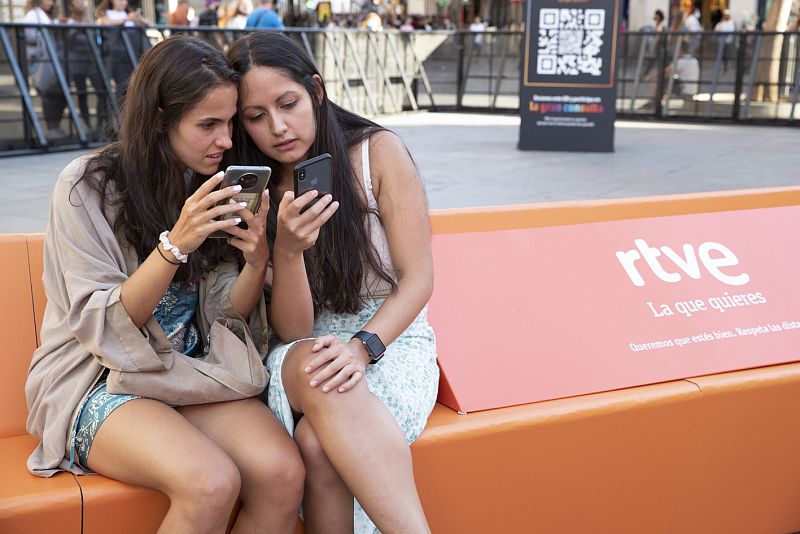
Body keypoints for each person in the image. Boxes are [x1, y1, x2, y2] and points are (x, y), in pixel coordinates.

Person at [25, 35, 305, 533]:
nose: (224, 140)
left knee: (282, 475)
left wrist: (257, 261)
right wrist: (175, 246)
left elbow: (224, 315)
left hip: (185, 370)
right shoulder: (88, 186)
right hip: (98, 380)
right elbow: (103, 324)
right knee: (211, 483)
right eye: (208, 125)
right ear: (159, 120)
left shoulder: (207, 183)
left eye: (229, 122)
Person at [227, 32, 439, 532]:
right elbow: (294, 327)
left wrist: (363, 347)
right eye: (256, 117)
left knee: (318, 447)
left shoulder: (377, 153)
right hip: (305, 350)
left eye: (289, 103)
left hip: (390, 338)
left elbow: (418, 279)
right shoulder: (253, 189)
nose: (278, 127)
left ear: (317, 92)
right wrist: (289, 251)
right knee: (317, 362)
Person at [62, 0, 109, 137]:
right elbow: (69, 43)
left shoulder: (89, 22)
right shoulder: (68, 23)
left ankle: (100, 124)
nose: (81, 4)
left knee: (102, 91)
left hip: (92, 63)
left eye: (82, 1)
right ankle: (87, 126)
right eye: (77, 1)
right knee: (82, 94)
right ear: (70, 5)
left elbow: (97, 41)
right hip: (76, 63)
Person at [22, 0, 66, 139]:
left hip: (50, 61)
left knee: (59, 95)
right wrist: (48, 29)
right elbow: (29, 35)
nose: (51, 3)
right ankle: (52, 128)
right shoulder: (33, 15)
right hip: (42, 61)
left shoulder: (43, 15)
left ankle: (55, 127)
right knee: (49, 95)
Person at [95, 0, 148, 108]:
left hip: (133, 55)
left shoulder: (129, 14)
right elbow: (101, 22)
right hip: (117, 57)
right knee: (122, 87)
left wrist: (139, 19)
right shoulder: (107, 14)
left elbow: (148, 23)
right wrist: (126, 20)